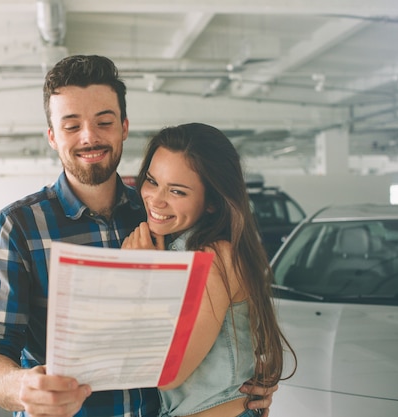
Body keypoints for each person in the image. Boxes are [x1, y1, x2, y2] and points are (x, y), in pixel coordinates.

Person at [0, 55, 277, 417]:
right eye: (72, 126)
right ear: (52, 137)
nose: (89, 137)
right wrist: (20, 387)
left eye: (104, 122)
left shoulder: (156, 218)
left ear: (124, 128)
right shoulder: (18, 226)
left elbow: (208, 326)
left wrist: (240, 379)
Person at [122, 123, 297, 417]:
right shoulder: (179, 247)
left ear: (213, 203)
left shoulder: (214, 257)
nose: (156, 199)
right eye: (152, 181)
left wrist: (145, 277)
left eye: (177, 191)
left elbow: (168, 373)